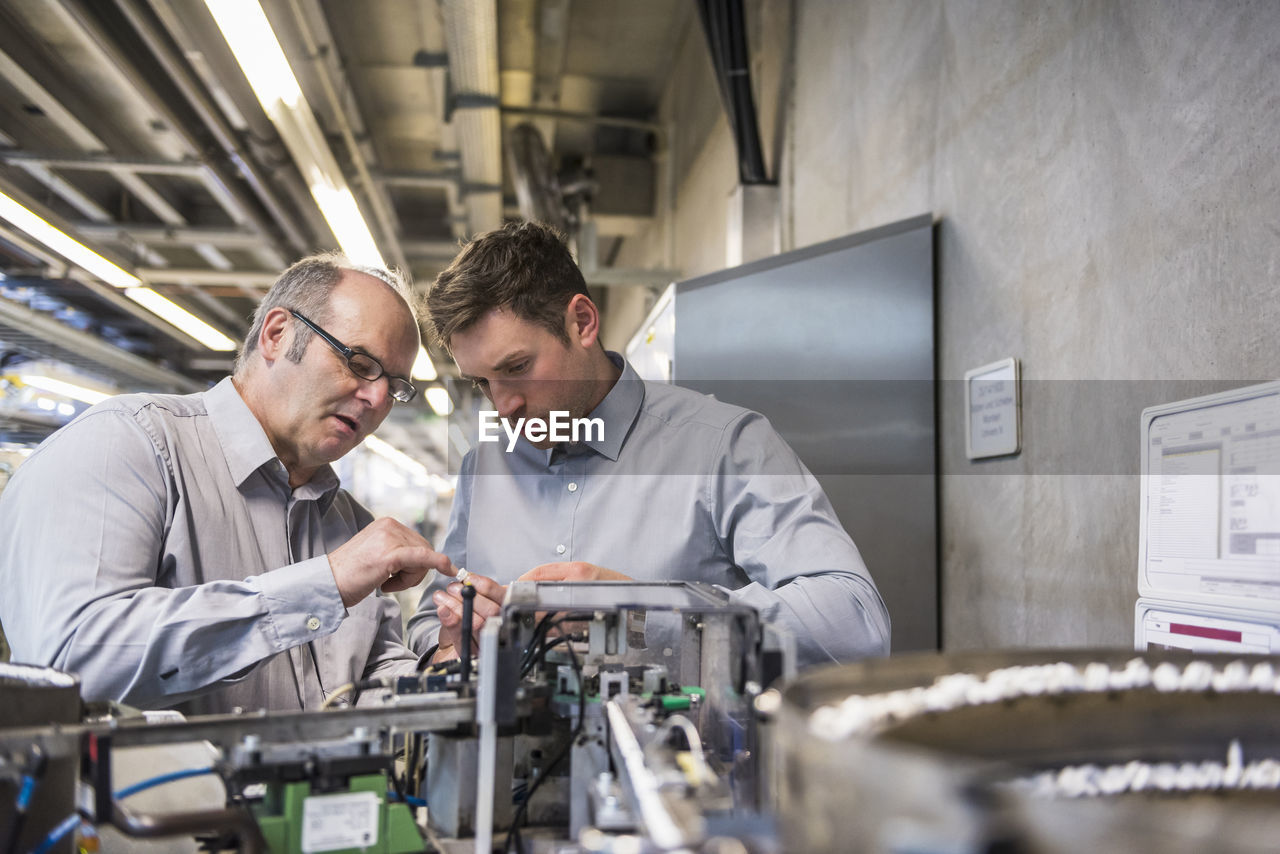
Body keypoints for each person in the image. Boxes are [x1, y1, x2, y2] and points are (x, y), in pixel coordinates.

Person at [407, 221, 890, 668]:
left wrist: (643, 611)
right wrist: (452, 644)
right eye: (482, 383)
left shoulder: (724, 446)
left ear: (581, 323)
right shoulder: (483, 468)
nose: (503, 406)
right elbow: (431, 621)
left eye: (516, 368)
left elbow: (855, 623)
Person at [0, 253, 455, 714]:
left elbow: (366, 682)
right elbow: (74, 664)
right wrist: (326, 583)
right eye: (359, 362)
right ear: (277, 335)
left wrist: (447, 667)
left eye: (395, 386)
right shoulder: (127, 446)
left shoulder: (349, 522)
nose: (377, 398)